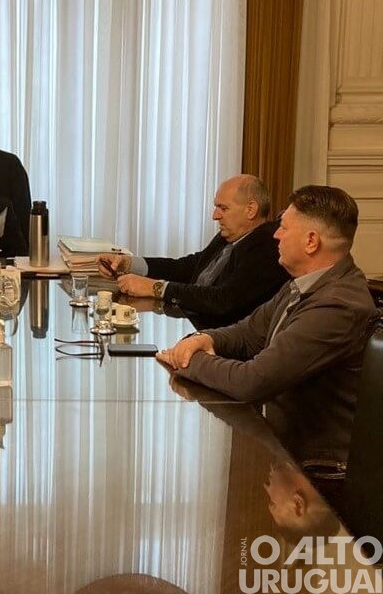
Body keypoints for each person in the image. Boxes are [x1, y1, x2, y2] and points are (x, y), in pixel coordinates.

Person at [158, 185, 377, 466]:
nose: (275, 235)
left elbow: (252, 381)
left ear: (311, 241)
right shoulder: (304, 283)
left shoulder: (338, 307)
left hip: (313, 469)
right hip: (280, 445)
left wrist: (189, 360)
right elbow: (248, 333)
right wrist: (204, 338)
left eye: (284, 228)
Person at [98, 175, 289, 326]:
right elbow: (188, 267)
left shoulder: (267, 246)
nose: (215, 215)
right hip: (187, 320)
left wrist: (155, 287)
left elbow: (223, 300)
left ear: (251, 210)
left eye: (223, 208)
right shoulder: (230, 236)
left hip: (215, 338)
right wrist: (129, 263)